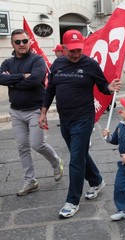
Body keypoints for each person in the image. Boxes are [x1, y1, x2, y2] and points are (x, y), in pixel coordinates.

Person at [38, 29, 121, 218]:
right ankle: (97, 181)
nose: (76, 54)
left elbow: (103, 87)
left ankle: (72, 201)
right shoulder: (58, 63)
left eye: (79, 50)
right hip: (64, 119)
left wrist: (110, 87)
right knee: (81, 154)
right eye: (72, 50)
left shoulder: (90, 64)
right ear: (64, 47)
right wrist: (43, 112)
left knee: (75, 159)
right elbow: (50, 89)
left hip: (83, 118)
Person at [0, 29, 63, 196]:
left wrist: (12, 80)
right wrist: (22, 76)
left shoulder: (37, 60)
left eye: (25, 41)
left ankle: (56, 162)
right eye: (18, 42)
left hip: (35, 110)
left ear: (30, 42)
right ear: (12, 44)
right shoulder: (7, 62)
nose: (22, 44)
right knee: (22, 147)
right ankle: (30, 181)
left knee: (37, 144)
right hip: (16, 111)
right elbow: (1, 78)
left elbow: (35, 80)